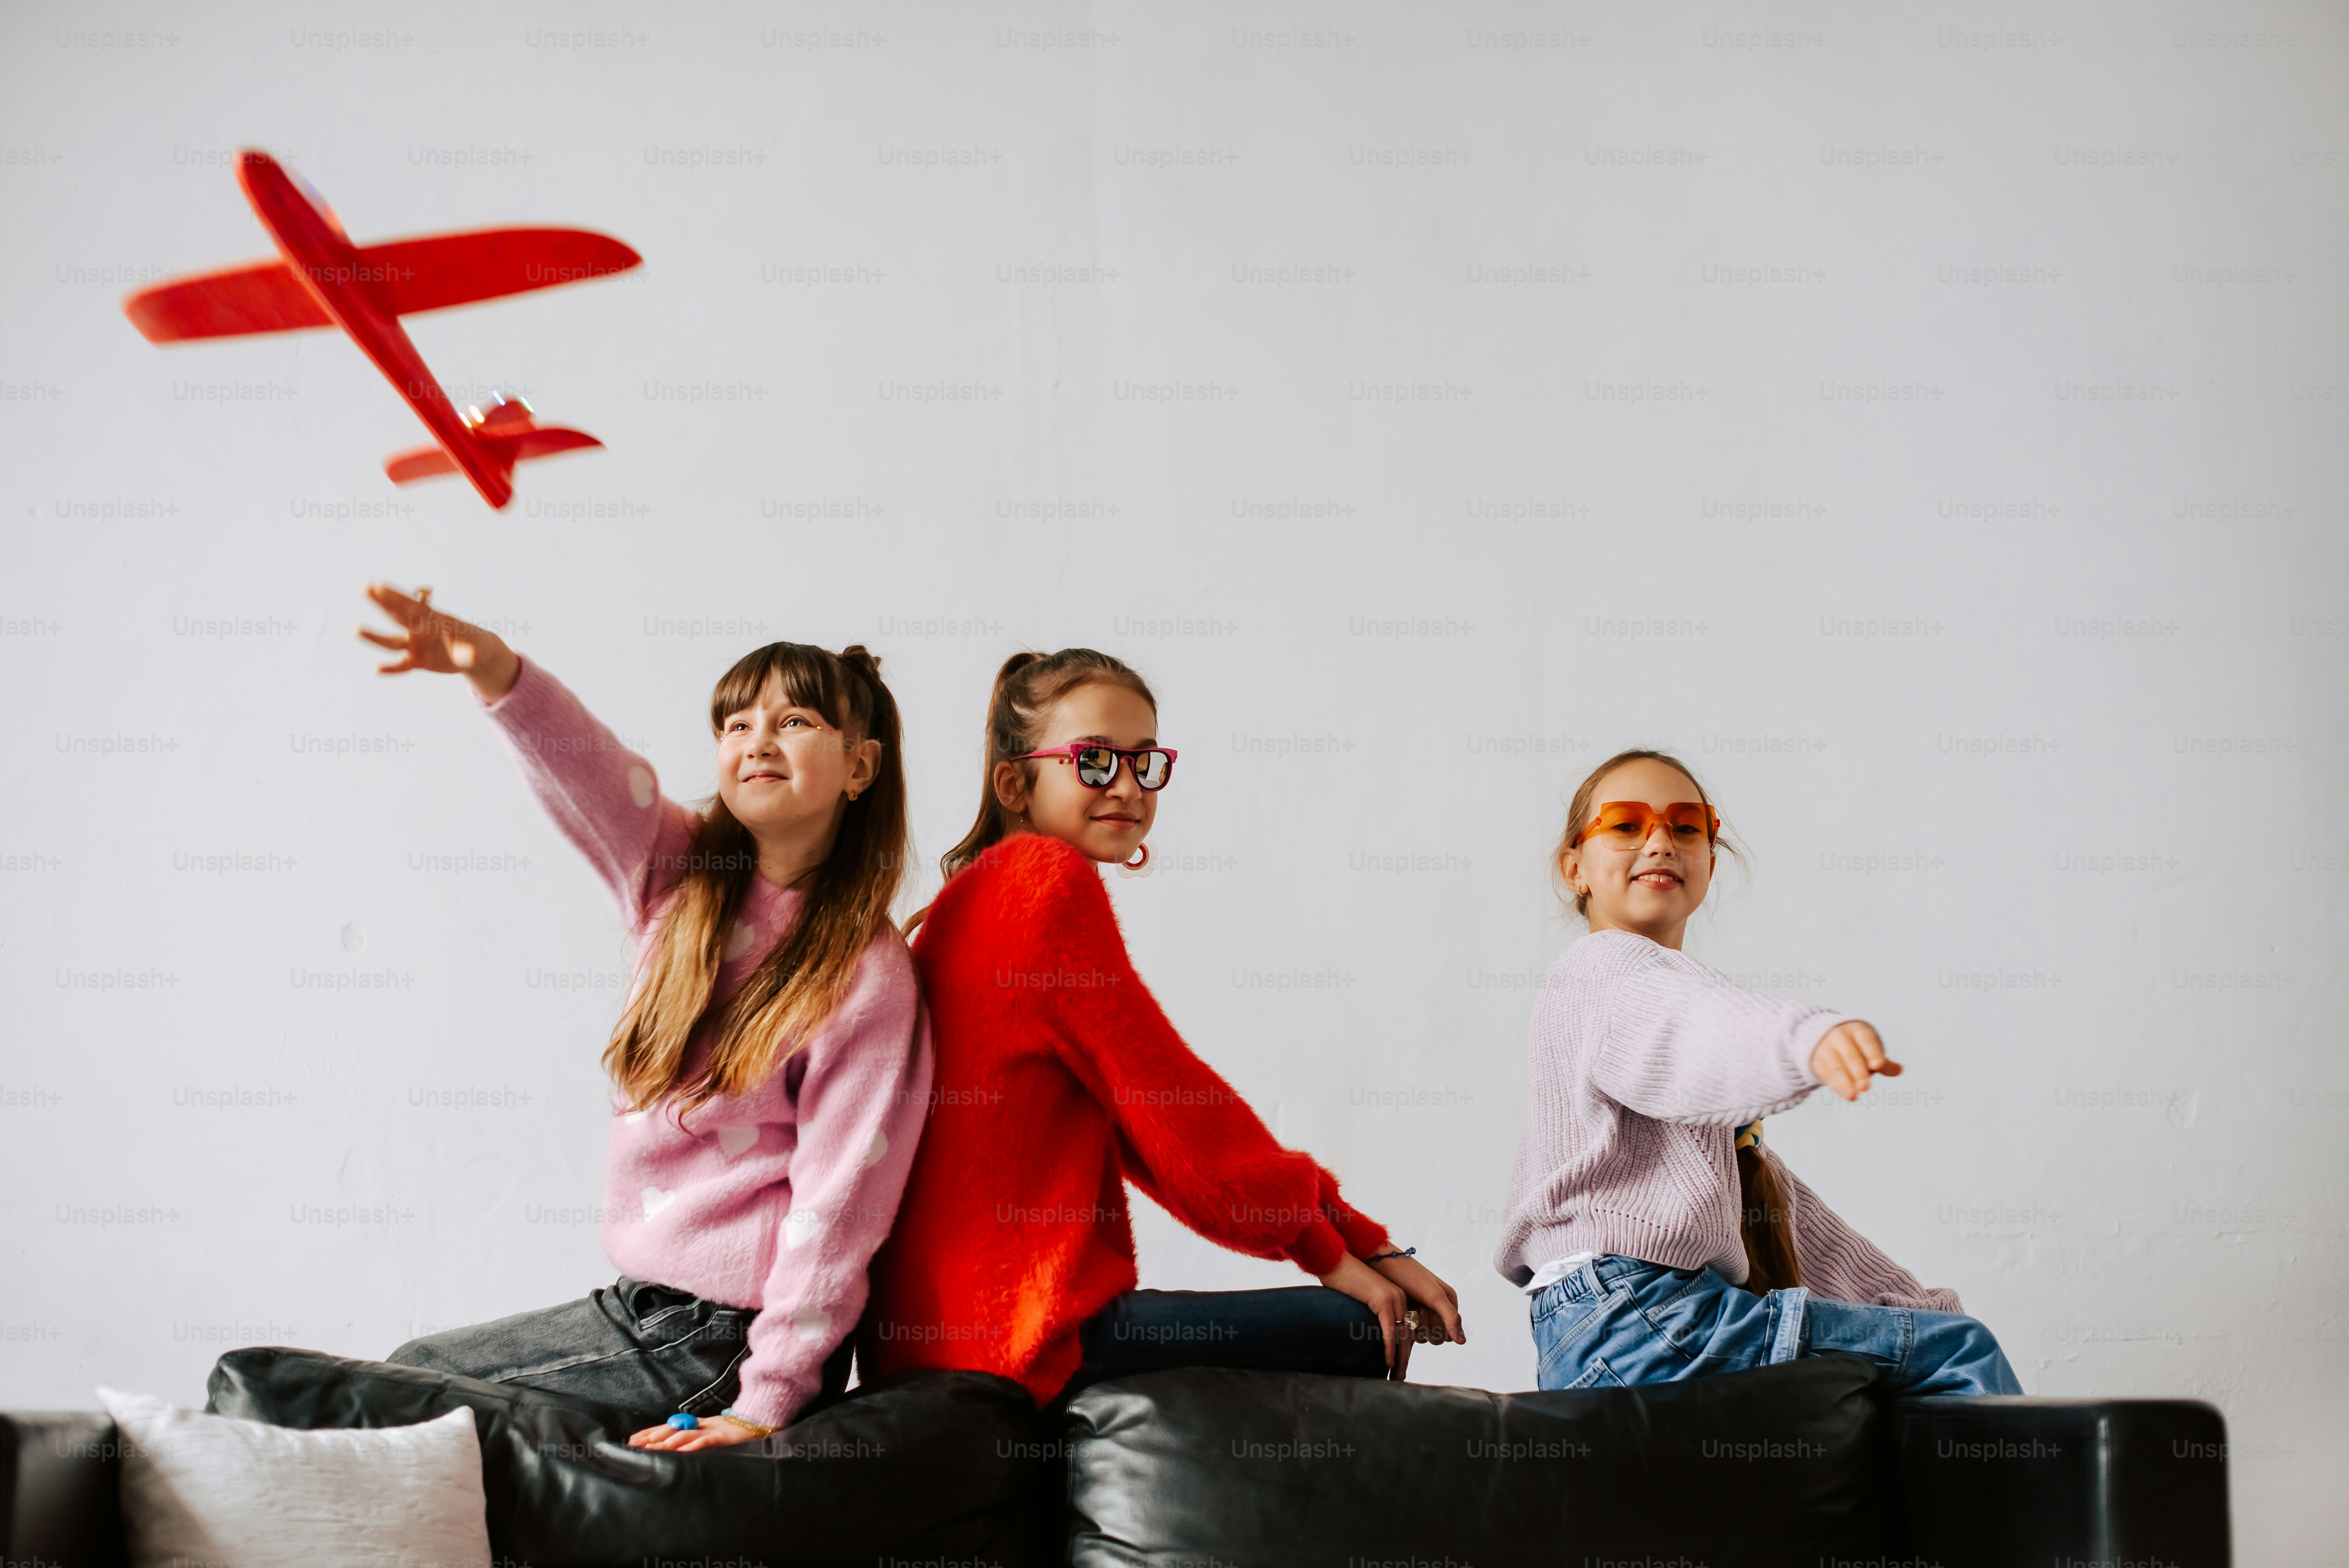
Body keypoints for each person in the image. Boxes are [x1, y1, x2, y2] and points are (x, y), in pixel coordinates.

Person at [357, 584, 932, 1449]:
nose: (756, 742)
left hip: (727, 1335)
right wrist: (496, 672)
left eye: (795, 722)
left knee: (410, 1389)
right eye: (735, 725)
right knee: (412, 1384)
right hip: (643, 1307)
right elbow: (592, 772)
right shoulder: (676, 881)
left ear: (860, 767)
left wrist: (763, 1402)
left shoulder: (866, 978)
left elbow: (840, 1206)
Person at [861, 648, 1465, 1407]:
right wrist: (1339, 1252)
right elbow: (1179, 1120)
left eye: (1146, 764)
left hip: (922, 1350)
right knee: (1359, 1324)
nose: (1127, 786)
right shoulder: (1047, 889)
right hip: (1022, 1338)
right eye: (1094, 761)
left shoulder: (954, 911)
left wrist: (1352, 1236)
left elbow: (1144, 1133)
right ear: (1016, 782)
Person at [1496, 748, 2021, 1396]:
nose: (1660, 840)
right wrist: (1807, 1040)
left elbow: (1785, 1214)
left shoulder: (1697, 1116)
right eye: (1627, 825)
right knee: (1958, 1353)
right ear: (1575, 868)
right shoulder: (1602, 971)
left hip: (1614, 1333)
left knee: (1928, 1346)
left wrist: (1914, 1305)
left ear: (1710, 863)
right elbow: (1686, 1025)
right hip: (1639, 1316)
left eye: (1687, 826)